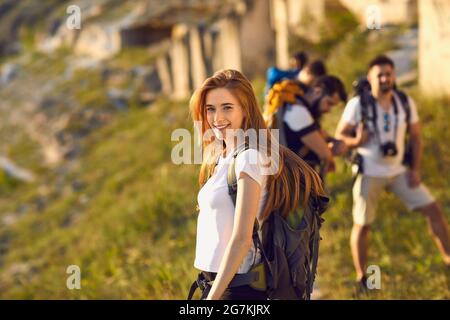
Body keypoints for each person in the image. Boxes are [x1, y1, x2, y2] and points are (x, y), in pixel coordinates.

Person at [189, 69, 325, 300]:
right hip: (216, 283)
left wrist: (212, 299)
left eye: (227, 107)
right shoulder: (223, 157)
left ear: (245, 109)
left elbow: (242, 239)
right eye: (210, 109)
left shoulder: (249, 158)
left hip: (238, 288)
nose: (217, 118)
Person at [335, 55, 450, 287]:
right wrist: (357, 140)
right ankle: (362, 278)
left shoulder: (404, 101)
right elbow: (339, 138)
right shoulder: (359, 104)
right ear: (370, 78)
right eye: (380, 75)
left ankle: (448, 260)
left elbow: (416, 137)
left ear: (394, 76)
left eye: (389, 74)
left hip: (399, 171)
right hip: (369, 171)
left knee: (434, 210)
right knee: (362, 224)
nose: (385, 79)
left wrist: (415, 170)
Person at [264, 75, 348, 178]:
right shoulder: (298, 111)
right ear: (318, 91)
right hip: (291, 182)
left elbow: (321, 135)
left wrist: (334, 141)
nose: (328, 110)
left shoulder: (300, 108)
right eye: (329, 103)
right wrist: (334, 149)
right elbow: (325, 154)